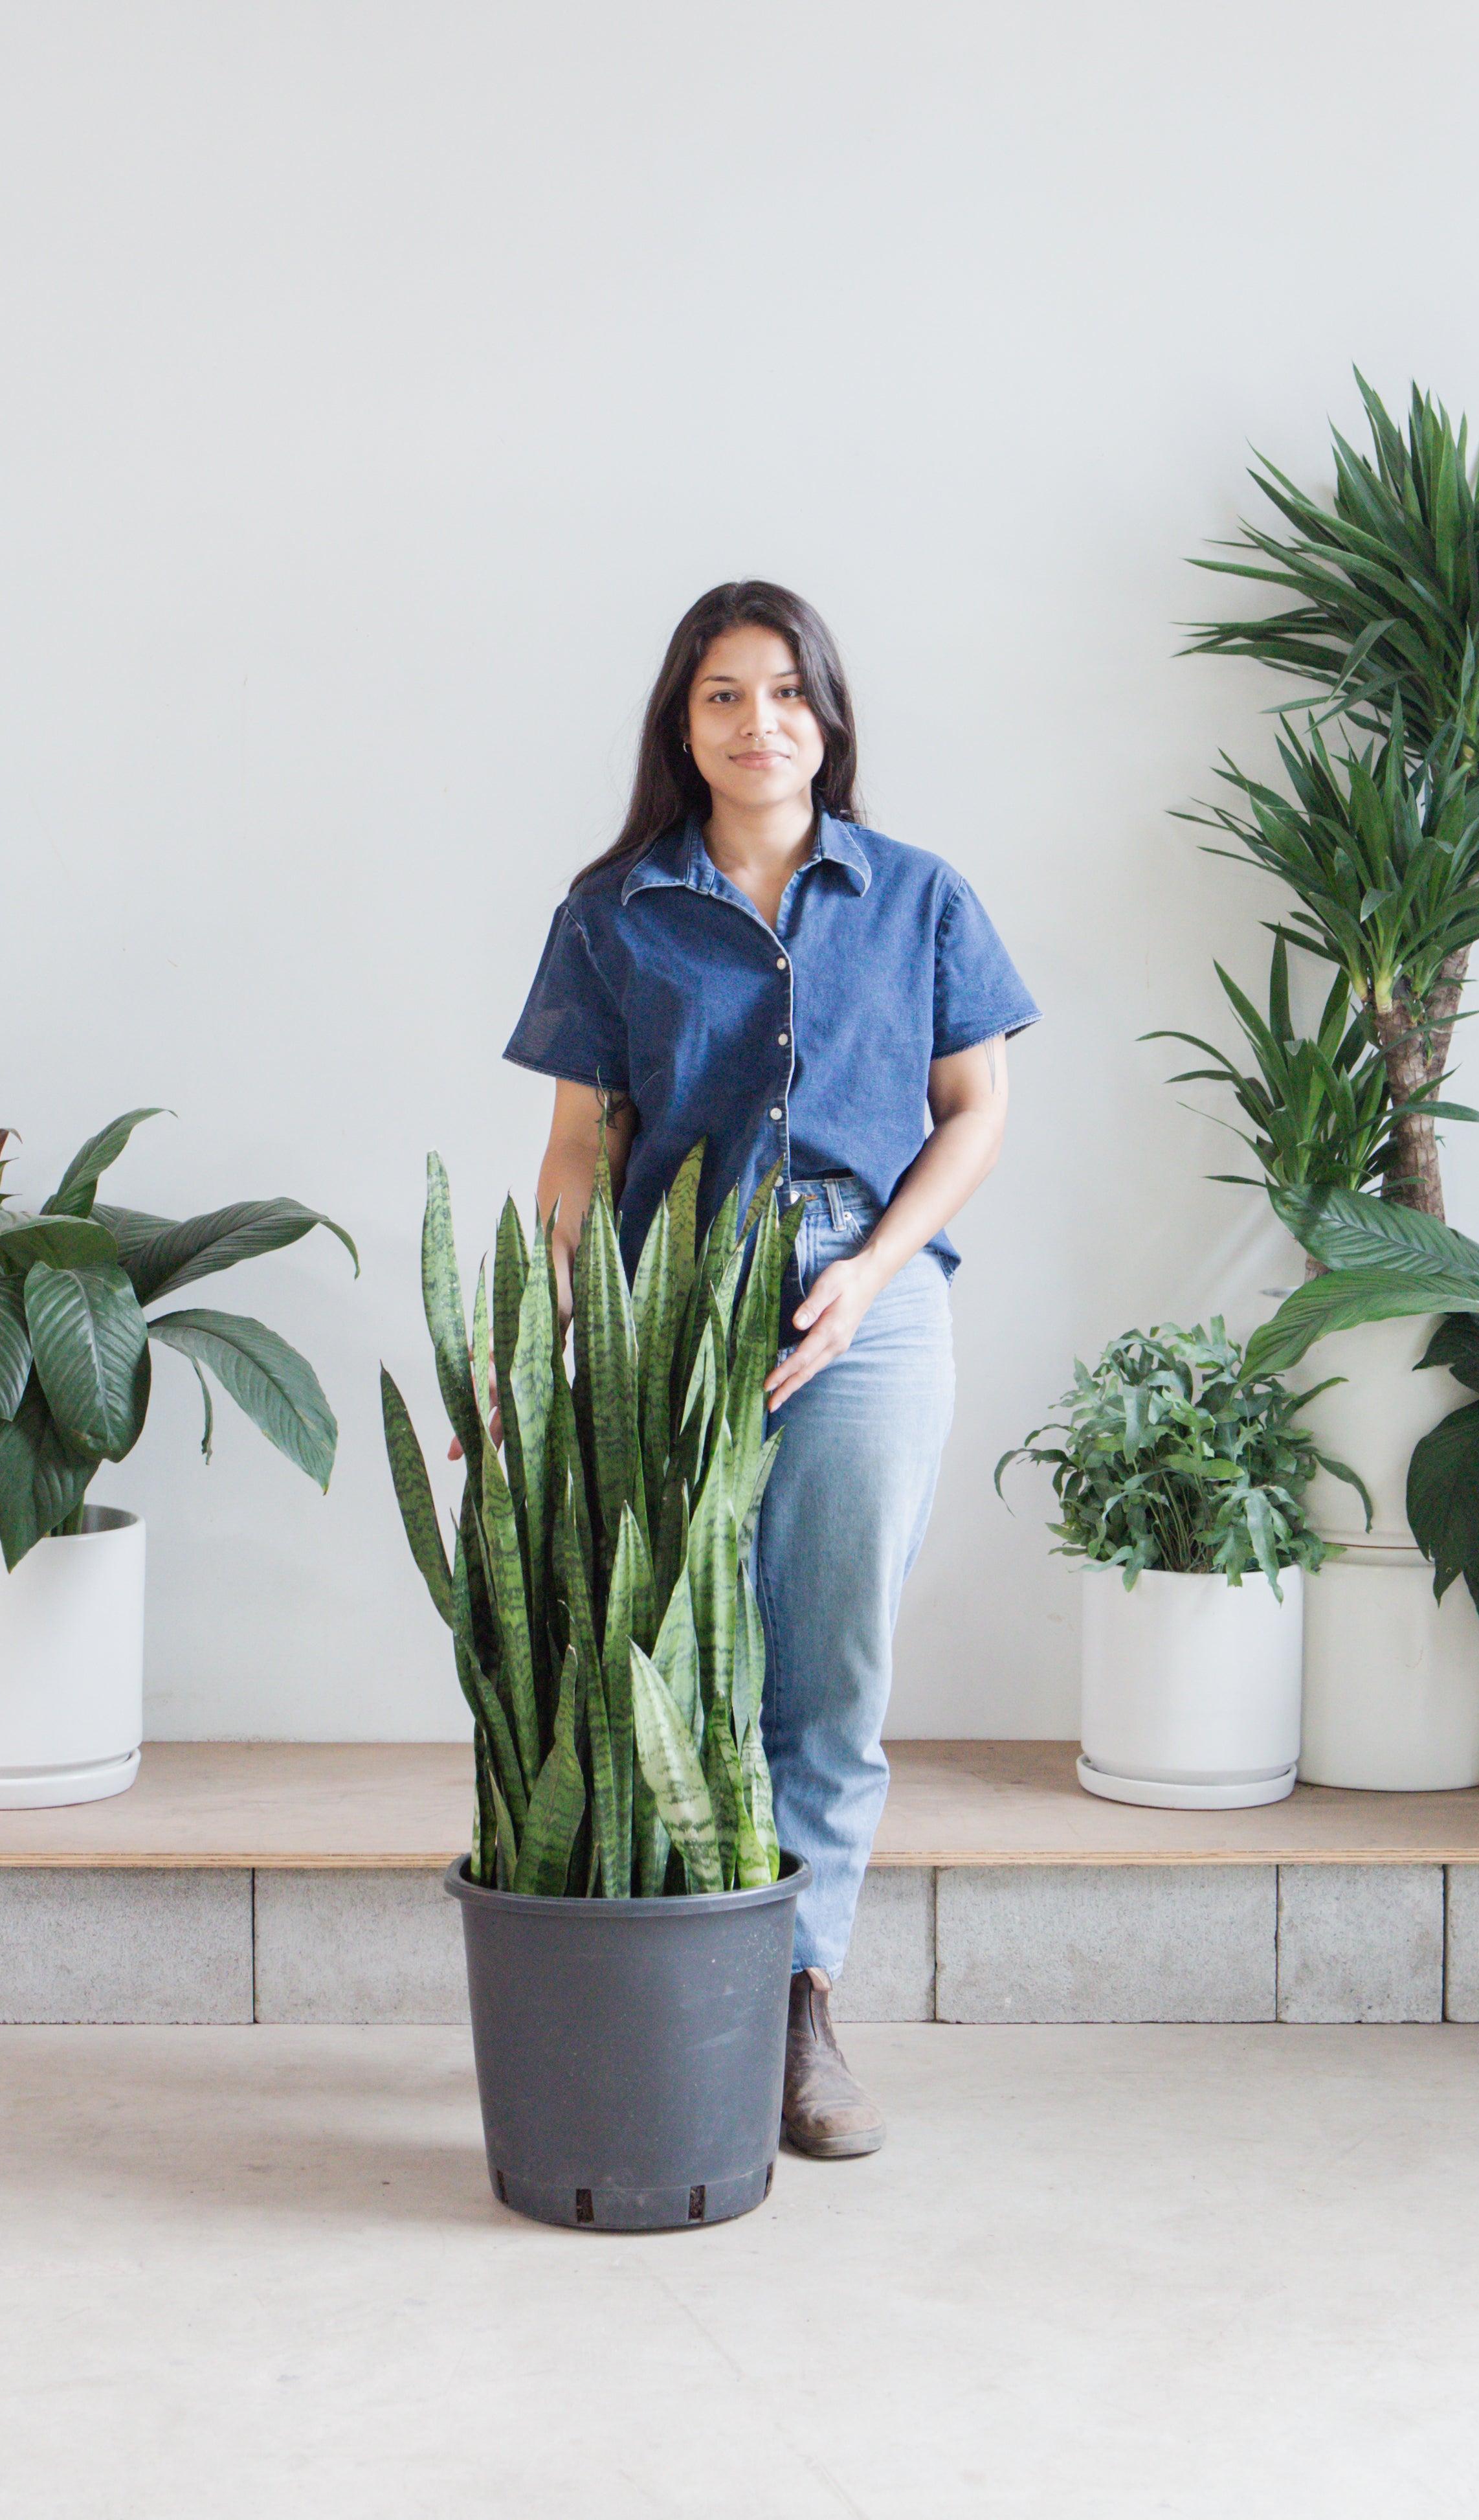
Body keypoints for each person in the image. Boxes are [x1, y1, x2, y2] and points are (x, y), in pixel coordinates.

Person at [504, 581, 1038, 2157]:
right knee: (686, 1656)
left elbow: (976, 1111)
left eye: (789, 692)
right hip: (672, 1307)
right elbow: (577, 1153)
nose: (761, 723)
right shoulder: (614, 910)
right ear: (684, 723)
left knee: (833, 1669)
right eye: (725, 694)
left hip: (865, 1306)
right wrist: (540, 1356)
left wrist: (872, 1273)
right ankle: (696, 1995)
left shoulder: (920, 893)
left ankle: (802, 2004)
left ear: (831, 716)